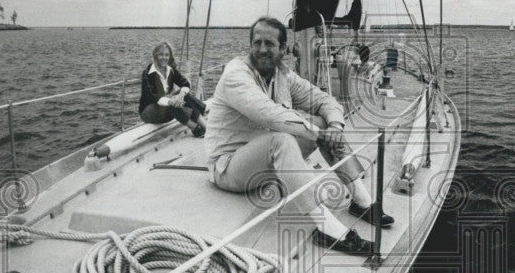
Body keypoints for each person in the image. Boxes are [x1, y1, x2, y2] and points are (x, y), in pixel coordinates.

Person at [205, 16, 393, 256]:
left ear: (283, 49)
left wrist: (334, 127)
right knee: (283, 138)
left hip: (264, 163)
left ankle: (361, 201)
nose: (262, 49)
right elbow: (271, 115)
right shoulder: (236, 75)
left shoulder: (282, 76)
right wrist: (319, 134)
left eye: (270, 44)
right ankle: (328, 229)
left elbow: (324, 100)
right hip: (229, 168)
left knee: (324, 121)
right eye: (257, 42)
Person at [138, 41, 207, 137]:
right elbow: (153, 97)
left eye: (167, 55)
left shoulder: (170, 70)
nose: (164, 58)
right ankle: (194, 128)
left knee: (185, 95)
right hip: (149, 111)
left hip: (168, 110)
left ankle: (206, 127)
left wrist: (180, 95)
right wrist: (172, 100)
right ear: (155, 55)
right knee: (171, 103)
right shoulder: (147, 73)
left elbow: (185, 83)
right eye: (161, 54)